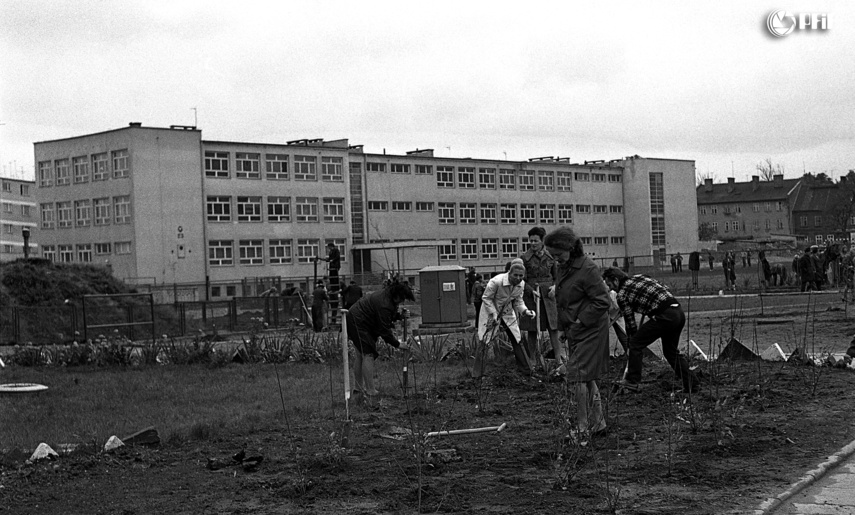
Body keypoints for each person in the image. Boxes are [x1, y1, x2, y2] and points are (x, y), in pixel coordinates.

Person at [544, 227, 611, 438]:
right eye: (552, 255)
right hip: (575, 329)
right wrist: (563, 327)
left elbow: (602, 302)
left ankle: (582, 427)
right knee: (587, 377)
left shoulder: (588, 269)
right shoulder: (563, 268)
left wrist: (580, 321)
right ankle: (599, 423)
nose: (556, 259)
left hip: (591, 329)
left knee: (577, 376)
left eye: (558, 254)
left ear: (571, 248)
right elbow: (562, 300)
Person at [603, 267, 700, 394]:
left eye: (610, 285)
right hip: (678, 312)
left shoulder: (621, 295)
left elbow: (630, 324)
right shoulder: (640, 277)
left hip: (664, 316)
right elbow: (662, 287)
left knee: (635, 344)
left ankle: (632, 381)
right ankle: (692, 384)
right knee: (670, 352)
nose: (611, 289)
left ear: (616, 280)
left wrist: (631, 344)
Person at [344, 280, 414, 402]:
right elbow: (384, 329)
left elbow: (386, 315)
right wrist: (398, 344)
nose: (402, 301)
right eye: (402, 298)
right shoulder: (384, 303)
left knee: (361, 355)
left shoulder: (387, 296)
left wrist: (399, 316)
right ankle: (370, 390)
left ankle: (358, 389)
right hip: (359, 322)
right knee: (368, 354)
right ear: (397, 295)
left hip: (357, 318)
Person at [477, 259, 536, 374]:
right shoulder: (496, 281)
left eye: (521, 276)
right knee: (485, 339)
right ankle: (478, 373)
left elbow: (518, 301)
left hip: (507, 312)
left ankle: (526, 370)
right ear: (509, 273)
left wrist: (525, 311)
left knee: (517, 338)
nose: (518, 278)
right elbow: (486, 298)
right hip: (490, 311)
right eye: (515, 275)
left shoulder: (521, 285)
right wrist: (493, 314)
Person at [519, 227, 564, 364]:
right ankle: (532, 360)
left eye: (536, 241)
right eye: (531, 240)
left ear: (542, 241)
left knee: (553, 327)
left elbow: (558, 276)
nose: (532, 243)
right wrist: (530, 290)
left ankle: (558, 358)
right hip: (532, 296)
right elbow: (521, 279)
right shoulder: (524, 258)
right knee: (532, 329)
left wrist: (555, 287)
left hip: (549, 296)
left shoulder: (551, 256)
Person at [319, 243, 342, 322]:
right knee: (332, 277)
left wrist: (333, 260)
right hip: (332, 265)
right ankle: (333, 287)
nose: (328, 249)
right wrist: (327, 259)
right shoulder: (331, 252)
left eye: (329, 247)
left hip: (335, 265)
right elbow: (330, 258)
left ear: (331, 246)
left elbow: (337, 257)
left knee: (334, 277)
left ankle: (335, 287)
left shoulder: (336, 250)